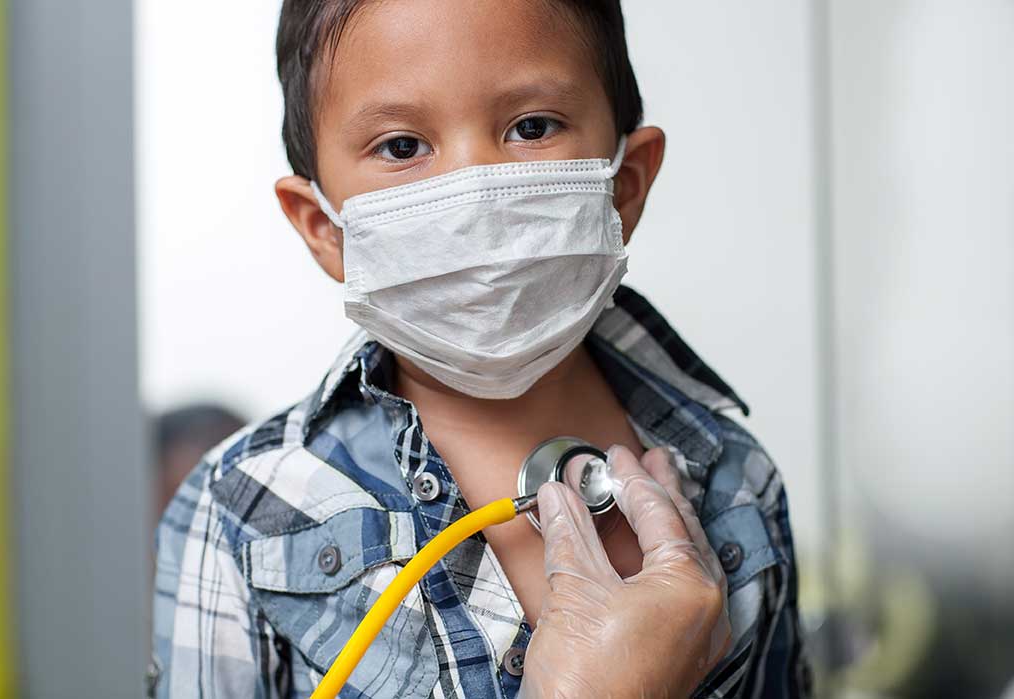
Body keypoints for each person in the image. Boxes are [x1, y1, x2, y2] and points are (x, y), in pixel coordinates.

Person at [150, 1, 812, 697]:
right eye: (401, 147)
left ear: (625, 185)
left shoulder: (737, 481)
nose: (472, 189)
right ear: (324, 228)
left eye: (532, 127)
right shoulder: (240, 514)